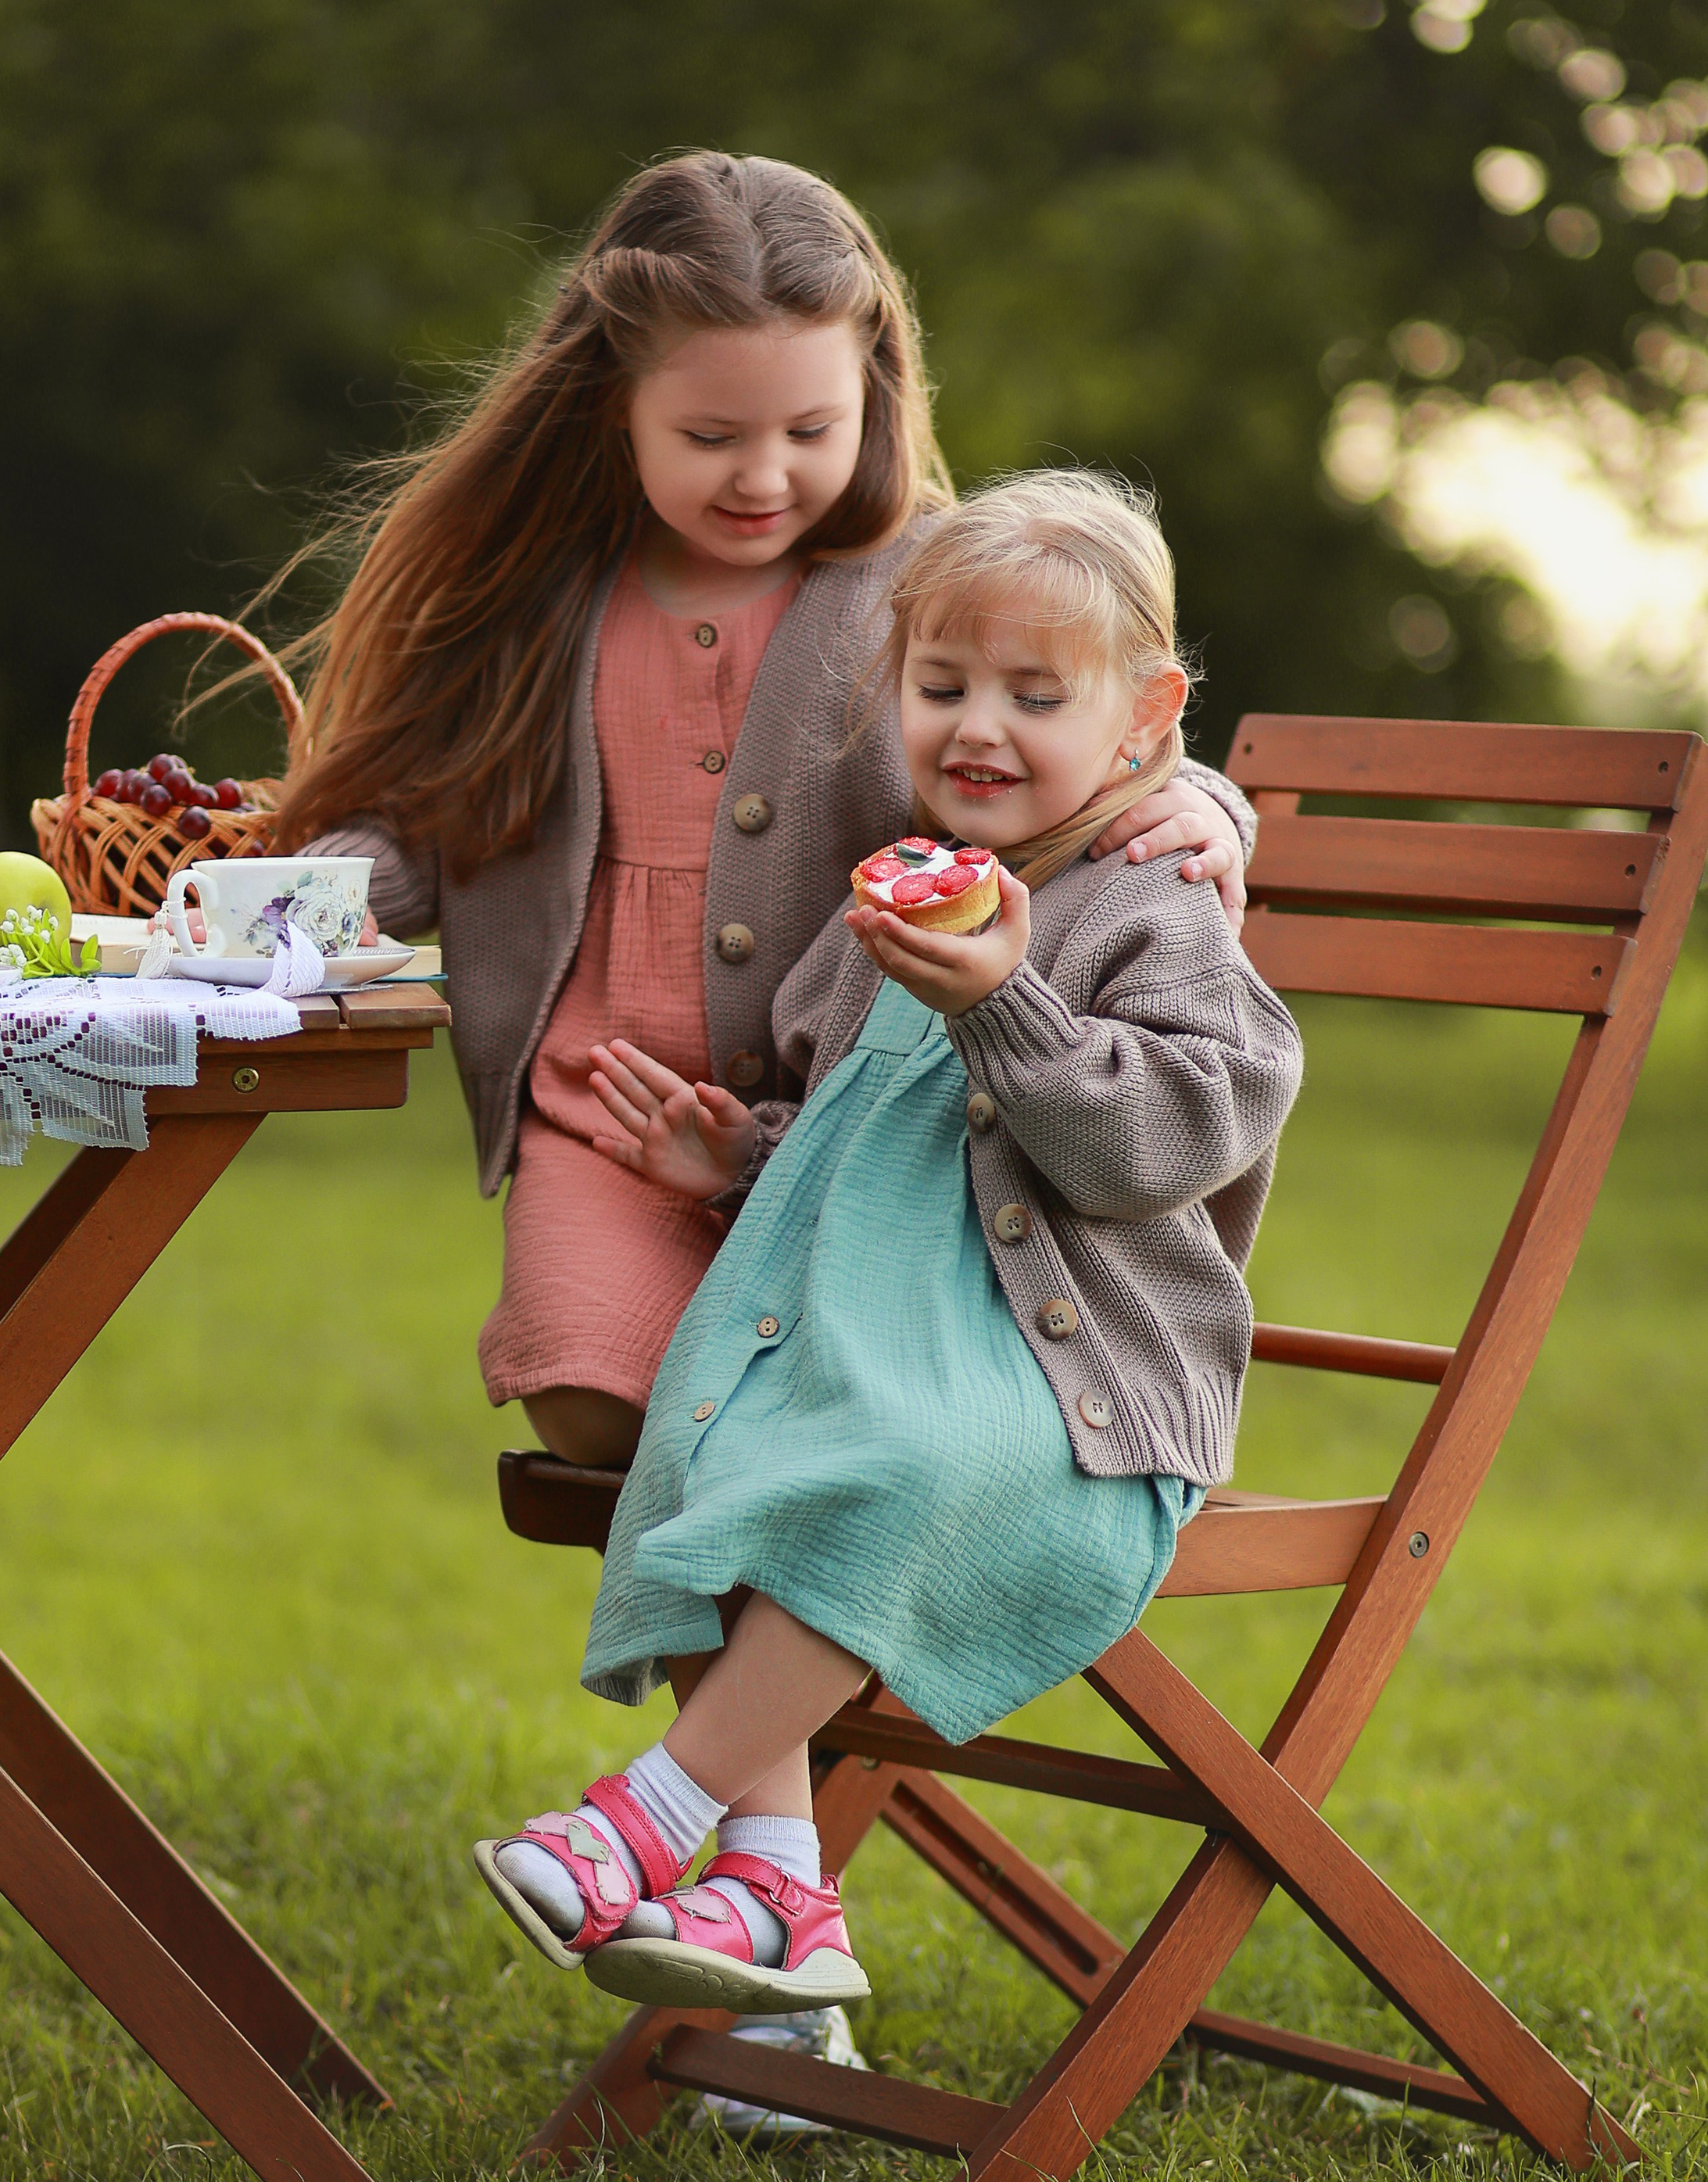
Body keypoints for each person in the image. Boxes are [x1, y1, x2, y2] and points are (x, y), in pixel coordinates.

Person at [278, 153, 1253, 1468]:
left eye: (811, 431)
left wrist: (1208, 803)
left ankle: (781, 1683)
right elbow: (433, 818)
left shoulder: (921, 584)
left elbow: (1075, 731)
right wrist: (289, 899)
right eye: (711, 437)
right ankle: (774, 1678)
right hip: (606, 1114)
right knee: (593, 1399)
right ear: (611, 407)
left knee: (788, 1438)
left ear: (875, 397)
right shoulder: (539, 594)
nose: (764, 477)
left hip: (840, 1130)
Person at [474, 470, 1302, 2015]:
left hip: (1064, 1410)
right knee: (726, 1442)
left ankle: (648, 1818)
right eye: (940, 686)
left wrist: (1000, 998)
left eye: (1031, 693)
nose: (975, 726)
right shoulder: (904, 898)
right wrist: (741, 1151)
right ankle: (780, 1907)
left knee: (873, 1470)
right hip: (865, 1359)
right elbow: (885, 1145)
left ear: (1142, 715)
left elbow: (1161, 1144)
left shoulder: (1152, 908)